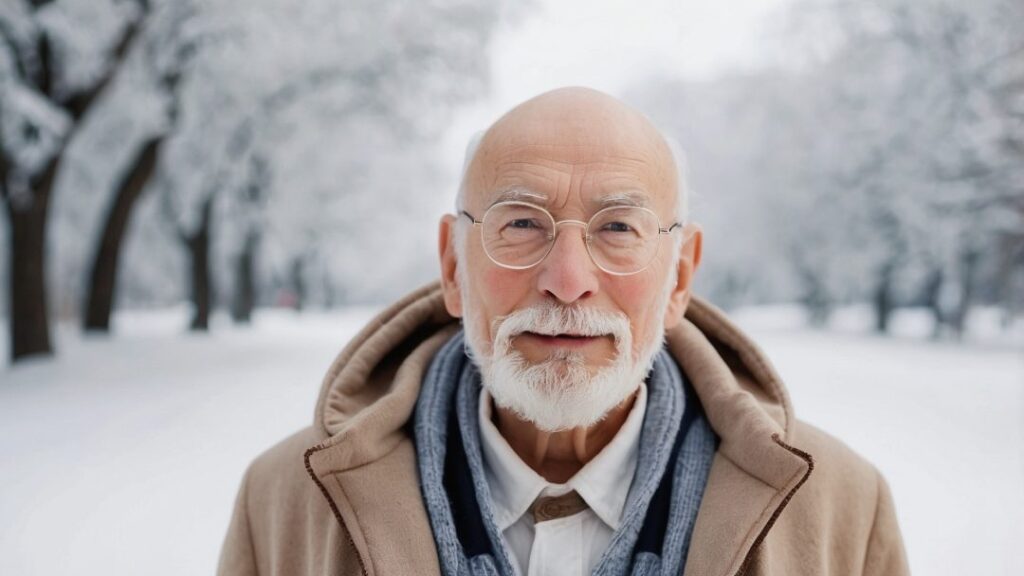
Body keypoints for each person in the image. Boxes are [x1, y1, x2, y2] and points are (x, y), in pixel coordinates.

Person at [217, 87, 909, 576]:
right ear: (454, 267)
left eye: (617, 228)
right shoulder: (286, 503)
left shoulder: (839, 508)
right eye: (520, 223)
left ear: (680, 277)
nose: (568, 278)